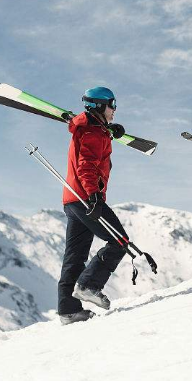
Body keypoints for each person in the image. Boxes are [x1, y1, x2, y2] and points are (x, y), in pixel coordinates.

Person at [56, 86, 129, 325]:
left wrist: (109, 131)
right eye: (112, 104)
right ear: (99, 106)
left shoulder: (90, 128)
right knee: (119, 242)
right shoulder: (93, 133)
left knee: (75, 256)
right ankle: (89, 285)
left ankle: (69, 310)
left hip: (72, 200)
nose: (115, 109)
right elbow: (86, 165)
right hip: (87, 198)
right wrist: (94, 196)